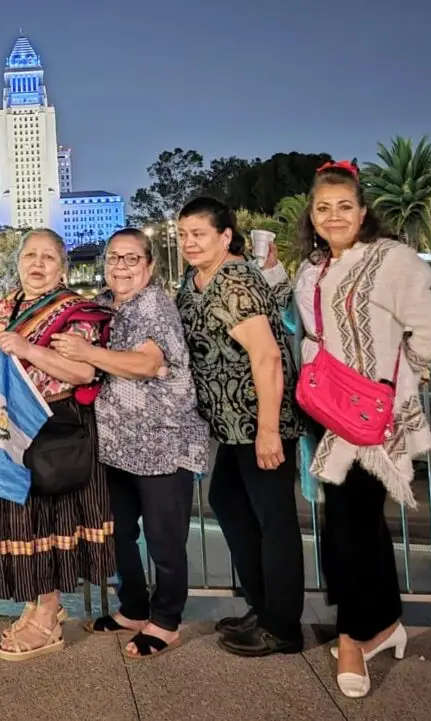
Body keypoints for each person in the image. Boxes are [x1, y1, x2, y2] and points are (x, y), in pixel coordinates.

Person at [293, 161, 431, 697]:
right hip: (327, 411)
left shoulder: (392, 260)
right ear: (312, 215)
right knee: (353, 525)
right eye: (323, 208)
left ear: (363, 211)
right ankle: (384, 622)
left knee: (350, 528)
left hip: (373, 417)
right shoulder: (312, 267)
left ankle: (353, 637)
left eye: (344, 207)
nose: (334, 216)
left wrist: (402, 374)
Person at [0, 228, 115, 662]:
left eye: (48, 257)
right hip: (5, 428)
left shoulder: (72, 312)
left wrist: (26, 349)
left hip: (48, 427)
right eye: (30, 256)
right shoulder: (9, 304)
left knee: (46, 521)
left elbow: (82, 372)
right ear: (19, 262)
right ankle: (36, 604)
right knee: (21, 521)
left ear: (62, 267)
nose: (37, 264)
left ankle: (48, 614)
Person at [52, 228, 208, 659]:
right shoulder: (103, 305)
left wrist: (88, 353)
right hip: (116, 445)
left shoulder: (154, 304)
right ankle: (134, 607)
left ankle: (166, 621)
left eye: (131, 259)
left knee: (163, 538)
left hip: (161, 443)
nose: (121, 267)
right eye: (114, 258)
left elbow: (146, 363)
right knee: (118, 532)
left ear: (150, 265)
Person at [175, 197, 304, 657]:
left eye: (200, 234)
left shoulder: (235, 281)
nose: (189, 242)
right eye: (184, 233)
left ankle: (284, 626)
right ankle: (264, 607)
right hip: (230, 424)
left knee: (275, 520)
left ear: (225, 236)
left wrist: (269, 429)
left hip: (260, 419)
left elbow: (267, 356)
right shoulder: (195, 280)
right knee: (228, 501)